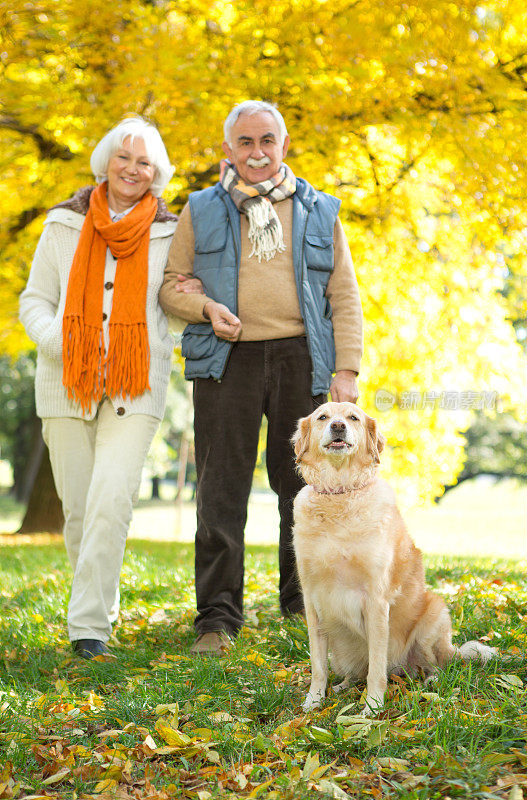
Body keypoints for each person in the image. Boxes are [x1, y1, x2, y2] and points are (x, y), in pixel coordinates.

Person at [159, 101, 363, 655]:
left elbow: (343, 296)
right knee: (221, 489)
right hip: (228, 361)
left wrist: (345, 369)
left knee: (303, 488)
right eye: (244, 143)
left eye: (266, 141)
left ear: (284, 145)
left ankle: (304, 609)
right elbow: (172, 285)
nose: (256, 153)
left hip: (302, 358)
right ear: (229, 150)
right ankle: (218, 619)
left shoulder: (320, 211)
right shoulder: (202, 208)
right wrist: (205, 310)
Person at [19, 117, 199, 660]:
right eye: (124, 157)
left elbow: (178, 304)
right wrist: (63, 343)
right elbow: (35, 300)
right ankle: (96, 607)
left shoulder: (171, 233)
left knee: (111, 499)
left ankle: (88, 630)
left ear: (156, 175)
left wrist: (202, 301)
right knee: (78, 510)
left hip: (135, 385)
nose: (132, 169)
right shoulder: (62, 225)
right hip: (65, 382)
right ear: (106, 161)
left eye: (145, 163)